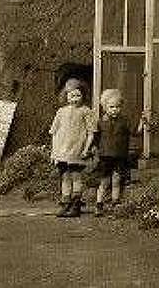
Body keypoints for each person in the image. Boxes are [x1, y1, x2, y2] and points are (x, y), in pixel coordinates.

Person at [49, 78, 96, 218]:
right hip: (61, 151)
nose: (75, 99)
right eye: (72, 95)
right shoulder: (61, 112)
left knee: (76, 176)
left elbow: (91, 132)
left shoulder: (86, 111)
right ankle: (65, 203)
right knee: (64, 177)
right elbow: (54, 132)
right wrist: (54, 152)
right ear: (66, 96)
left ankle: (76, 204)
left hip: (77, 150)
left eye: (78, 95)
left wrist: (86, 148)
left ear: (83, 96)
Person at [94, 88, 131, 216]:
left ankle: (115, 203)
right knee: (104, 181)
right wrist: (94, 150)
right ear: (105, 107)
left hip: (120, 155)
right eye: (111, 107)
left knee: (116, 179)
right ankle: (99, 204)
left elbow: (133, 133)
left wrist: (142, 124)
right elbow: (95, 138)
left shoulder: (124, 121)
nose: (115, 109)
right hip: (105, 156)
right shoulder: (100, 122)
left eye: (117, 107)